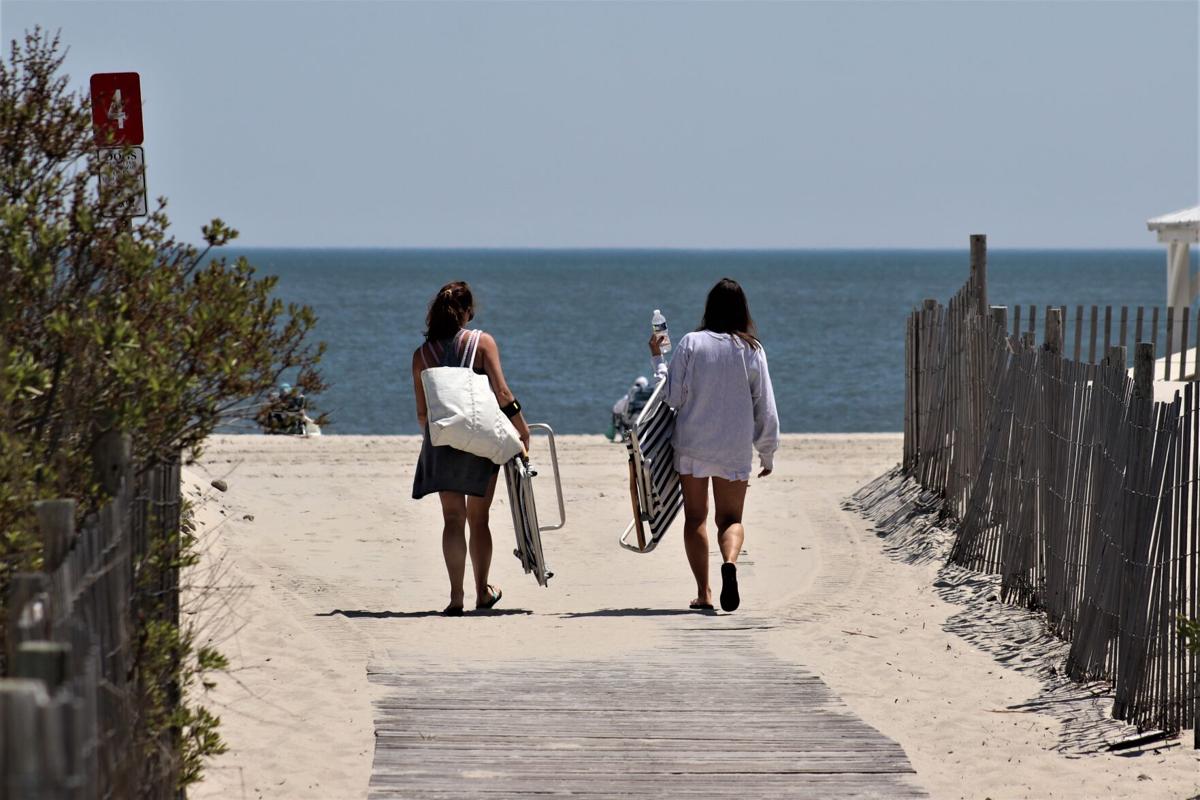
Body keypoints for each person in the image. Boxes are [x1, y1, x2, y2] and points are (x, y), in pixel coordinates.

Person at [648, 278, 779, 612]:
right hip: (733, 447)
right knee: (731, 519)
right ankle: (731, 564)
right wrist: (767, 452)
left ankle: (704, 593)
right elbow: (764, 405)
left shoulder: (691, 343)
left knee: (695, 519)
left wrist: (657, 361)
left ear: (709, 308)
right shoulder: (752, 349)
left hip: (692, 444)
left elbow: (673, 397)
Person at [412, 281, 531, 616]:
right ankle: (482, 592)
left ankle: (455, 597)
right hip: (482, 441)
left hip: (442, 443)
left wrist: (443, 438)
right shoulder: (482, 342)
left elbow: (422, 414)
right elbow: (503, 393)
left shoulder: (421, 355)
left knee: (452, 519)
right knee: (479, 519)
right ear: (466, 312)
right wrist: (522, 431)